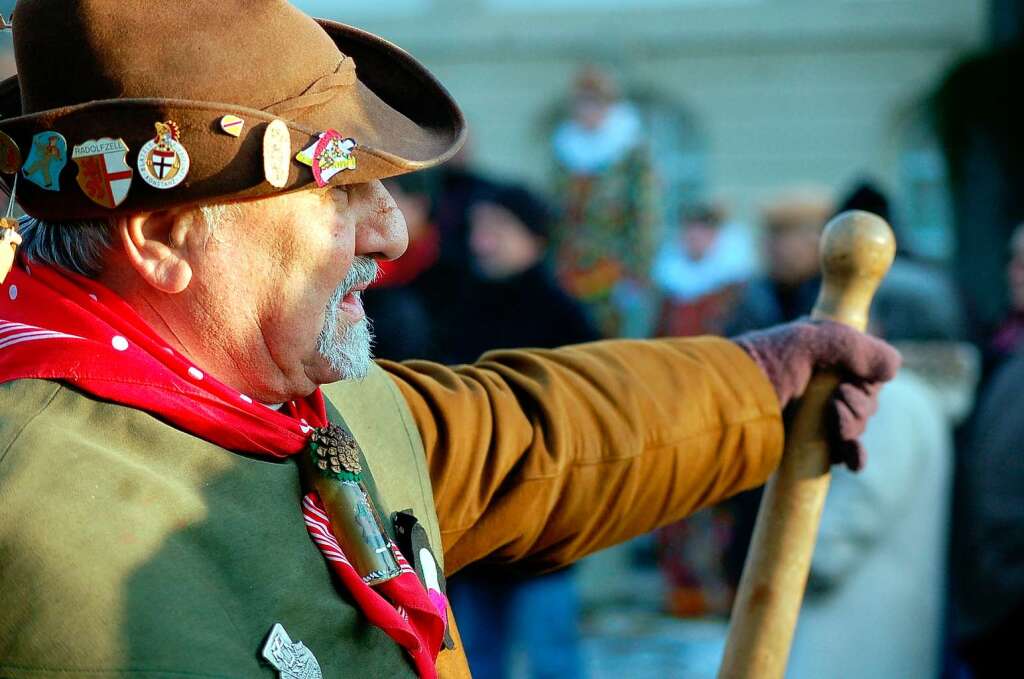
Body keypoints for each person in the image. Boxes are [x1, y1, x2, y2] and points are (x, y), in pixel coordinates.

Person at [0, 2, 899, 678]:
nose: (389, 235)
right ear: (161, 237)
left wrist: (765, 380)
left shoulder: (295, 403)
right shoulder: (35, 533)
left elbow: (531, 439)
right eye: (336, 192)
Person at [442, 182, 598, 678]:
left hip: (544, 522)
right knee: (476, 660)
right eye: (478, 229)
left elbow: (590, 420)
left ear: (533, 239)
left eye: (498, 229)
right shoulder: (460, 306)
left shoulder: (564, 316)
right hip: (474, 517)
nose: (482, 241)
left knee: (553, 658)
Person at [551, 65, 659, 338]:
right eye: (580, 103)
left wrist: (638, 270)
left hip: (615, 266)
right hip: (572, 265)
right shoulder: (564, 150)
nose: (586, 111)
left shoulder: (630, 150)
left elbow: (645, 214)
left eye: (593, 103)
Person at [653, 202, 757, 338]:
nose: (694, 236)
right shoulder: (667, 283)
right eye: (689, 229)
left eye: (703, 230)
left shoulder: (736, 286)